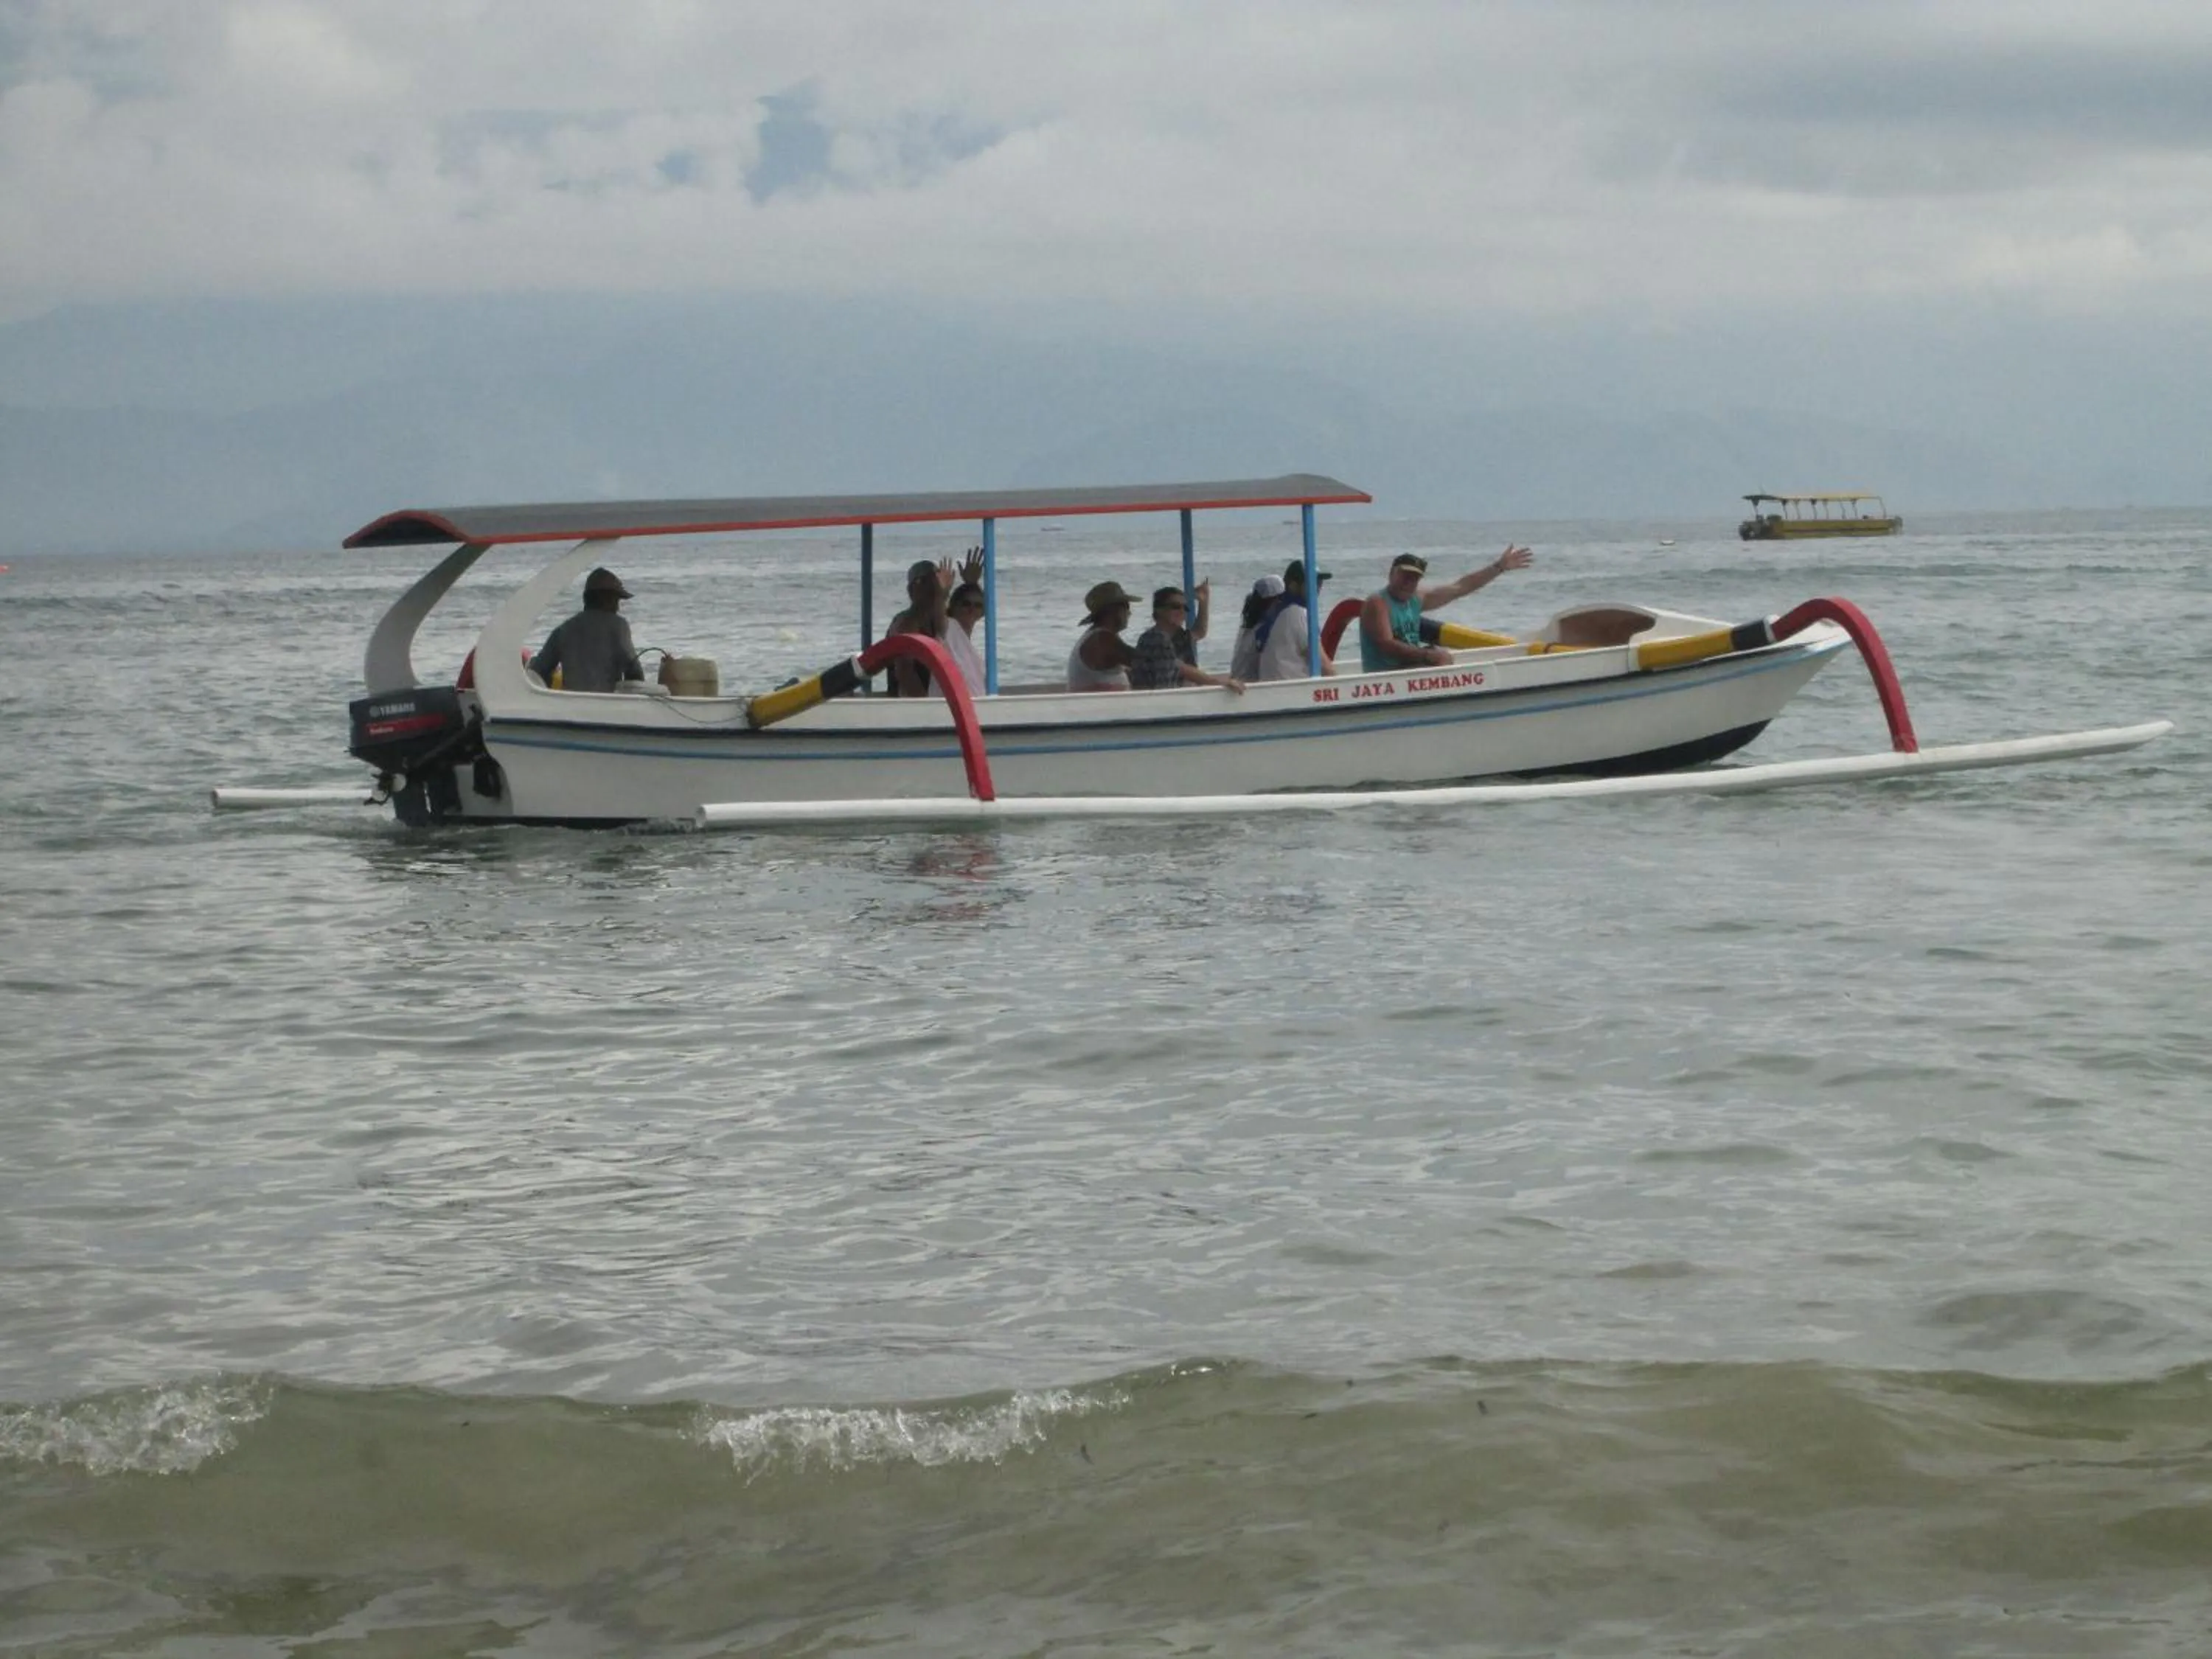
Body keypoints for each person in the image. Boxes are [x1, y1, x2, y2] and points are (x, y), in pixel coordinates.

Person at [1358, 546, 1534, 672]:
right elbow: (1387, 645)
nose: (1408, 582)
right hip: (1386, 677)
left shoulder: (1417, 598)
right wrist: (1428, 655)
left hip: (1409, 670)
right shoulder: (1378, 603)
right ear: (1391, 574)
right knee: (1443, 660)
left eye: (1414, 578)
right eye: (1404, 576)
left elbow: (1460, 587)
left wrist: (1499, 568)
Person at [883, 548, 986, 697]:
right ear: (911, 589)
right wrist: (926, 708)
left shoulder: (943, 623)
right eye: (924, 582)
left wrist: (971, 583)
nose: (931, 587)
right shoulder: (906, 621)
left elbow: (965, 615)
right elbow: (904, 672)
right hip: (914, 707)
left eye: (934, 581)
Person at [530, 566, 643, 692]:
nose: (617, 608)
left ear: (585, 598)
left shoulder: (563, 630)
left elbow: (537, 672)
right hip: (607, 705)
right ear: (607, 599)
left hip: (570, 705)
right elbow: (635, 672)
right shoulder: (618, 626)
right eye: (616, 600)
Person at [1130, 584, 1243, 693]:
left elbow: (1199, 632)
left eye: (1185, 608)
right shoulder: (1155, 638)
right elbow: (1182, 668)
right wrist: (1220, 682)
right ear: (1159, 610)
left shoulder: (1176, 635)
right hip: (1156, 700)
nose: (1182, 611)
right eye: (1175, 607)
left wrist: (1203, 602)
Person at [1254, 560, 1336, 681]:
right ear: (1293, 585)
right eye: (1312, 582)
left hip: (1274, 686)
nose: (1319, 587)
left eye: (1320, 582)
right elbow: (1322, 664)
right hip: (1291, 688)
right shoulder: (1298, 613)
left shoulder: (1276, 610)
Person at [1067, 580, 1137, 691]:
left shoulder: (1098, 636)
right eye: (1126, 607)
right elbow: (1144, 661)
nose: (1129, 613)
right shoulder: (1103, 640)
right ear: (1114, 611)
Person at [1229, 574, 1283, 681]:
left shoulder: (1248, 626)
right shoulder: (1265, 629)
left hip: (1240, 680)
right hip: (1250, 687)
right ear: (1274, 601)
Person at [942, 578, 988, 696]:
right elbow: (937, 616)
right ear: (954, 606)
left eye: (978, 606)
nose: (972, 609)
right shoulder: (948, 627)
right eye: (966, 604)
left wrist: (972, 582)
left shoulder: (965, 641)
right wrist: (943, 594)